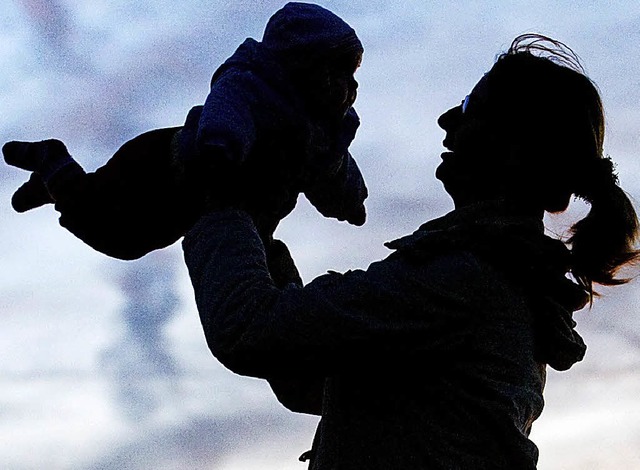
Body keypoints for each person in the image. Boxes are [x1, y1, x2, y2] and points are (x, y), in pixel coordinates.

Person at [180, 34, 639, 469]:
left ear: (514, 148)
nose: (447, 119)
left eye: (468, 108)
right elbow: (310, 376)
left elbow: (252, 331)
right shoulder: (494, 277)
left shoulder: (464, 277)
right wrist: (259, 232)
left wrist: (223, 203)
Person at [2, 2, 367, 260]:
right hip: (161, 168)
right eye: (337, 73)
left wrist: (349, 200)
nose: (350, 87)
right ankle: (53, 163)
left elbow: (334, 171)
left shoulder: (324, 137)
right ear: (299, 68)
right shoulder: (256, 89)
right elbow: (228, 111)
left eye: (352, 75)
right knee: (114, 233)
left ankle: (57, 182)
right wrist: (220, 149)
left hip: (216, 212)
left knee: (145, 235)